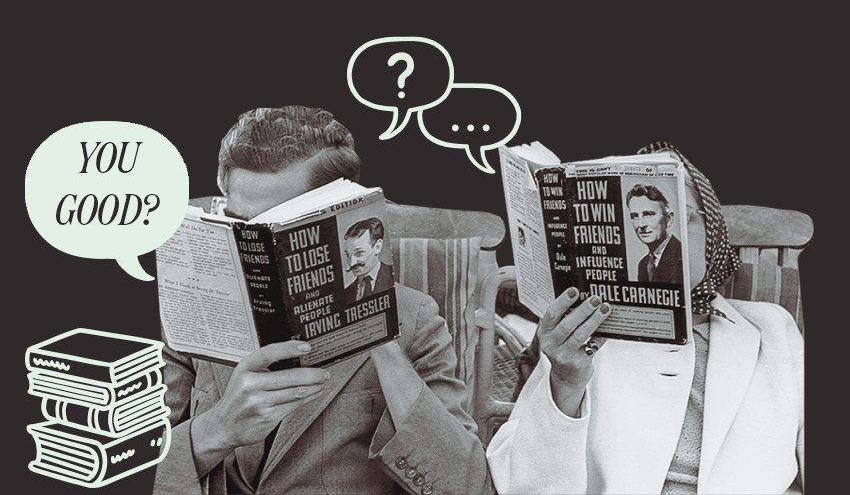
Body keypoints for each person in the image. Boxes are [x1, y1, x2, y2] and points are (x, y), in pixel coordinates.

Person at [154, 107, 493, 495]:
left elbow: (468, 486)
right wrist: (217, 429)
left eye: (272, 229)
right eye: (239, 225)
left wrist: (380, 341)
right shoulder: (190, 309)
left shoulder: (415, 320)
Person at [486, 141, 804, 494]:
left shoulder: (773, 328)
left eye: (678, 215)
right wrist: (565, 384)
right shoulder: (580, 335)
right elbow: (523, 484)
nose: (642, 227)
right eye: (632, 217)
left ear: (710, 228)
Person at [626, 183, 683, 284]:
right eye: (634, 216)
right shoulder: (643, 265)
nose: (641, 224)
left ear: (669, 219)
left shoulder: (683, 257)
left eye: (648, 214)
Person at [343, 217, 394, 301]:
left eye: (359, 253)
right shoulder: (346, 294)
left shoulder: (394, 276)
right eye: (348, 255)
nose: (352, 263)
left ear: (377, 247)